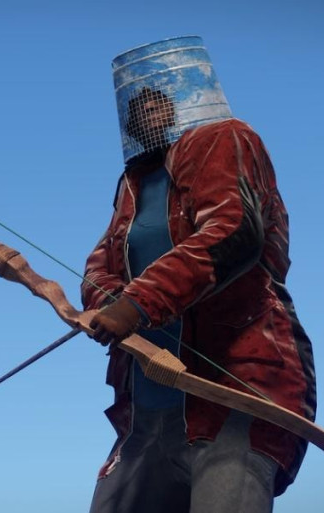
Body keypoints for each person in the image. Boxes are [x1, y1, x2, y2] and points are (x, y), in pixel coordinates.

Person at [81, 36, 316, 513]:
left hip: (234, 391)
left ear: (179, 101)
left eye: (156, 102)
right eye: (136, 107)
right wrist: (104, 304)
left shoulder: (223, 138)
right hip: (149, 410)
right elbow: (102, 260)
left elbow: (231, 233)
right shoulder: (134, 182)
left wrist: (136, 304)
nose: (145, 113)